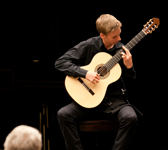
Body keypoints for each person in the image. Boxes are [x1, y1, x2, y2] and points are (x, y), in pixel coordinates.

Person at [55, 14, 142, 150]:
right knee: (63, 114)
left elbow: (132, 85)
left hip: (114, 102)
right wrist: (85, 73)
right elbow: (60, 63)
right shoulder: (89, 45)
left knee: (130, 118)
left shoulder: (122, 50)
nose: (119, 39)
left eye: (119, 35)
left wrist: (129, 67)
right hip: (89, 100)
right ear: (102, 35)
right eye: (114, 36)